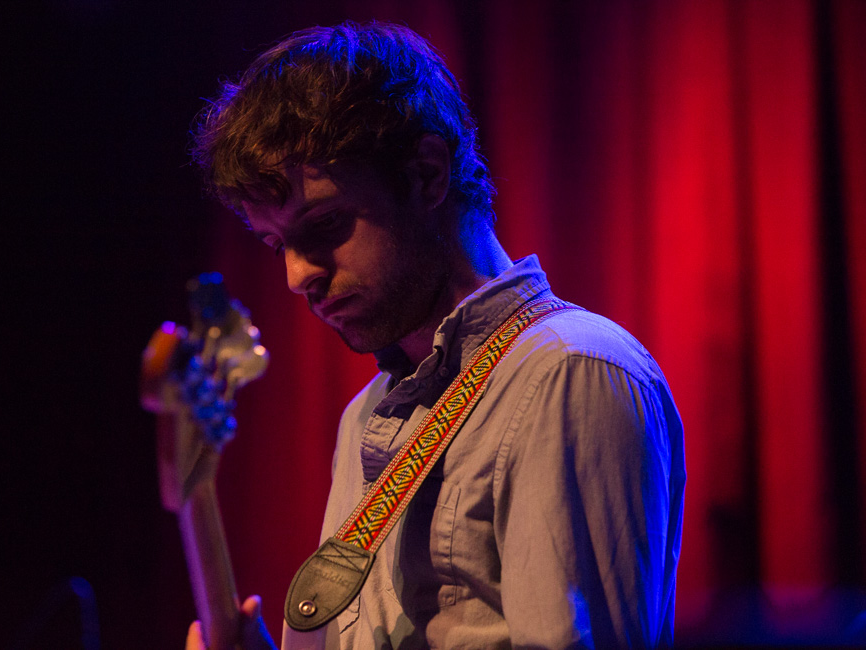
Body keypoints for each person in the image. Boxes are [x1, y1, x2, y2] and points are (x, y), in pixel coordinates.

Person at [186, 21, 685, 649]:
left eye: (327, 224)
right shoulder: (362, 418)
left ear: (426, 175)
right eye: (276, 243)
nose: (295, 275)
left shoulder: (572, 372)